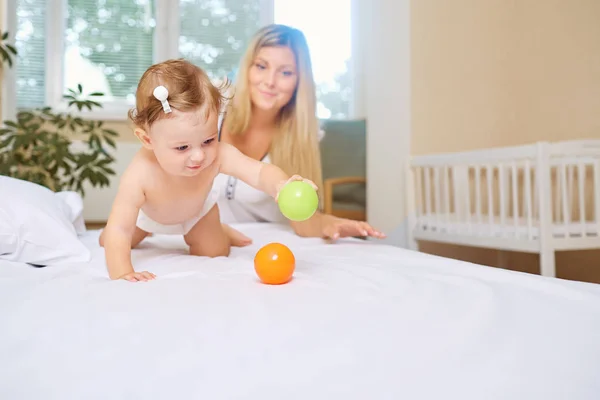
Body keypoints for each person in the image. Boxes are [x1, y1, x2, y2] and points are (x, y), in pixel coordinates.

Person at [99, 59, 316, 282]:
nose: (199, 156)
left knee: (215, 252)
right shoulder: (140, 174)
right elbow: (120, 229)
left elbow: (258, 172)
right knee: (111, 241)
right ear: (147, 139)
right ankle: (129, 236)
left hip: (197, 213)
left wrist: (281, 184)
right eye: (182, 147)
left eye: (208, 140)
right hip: (149, 216)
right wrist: (123, 272)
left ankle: (222, 231)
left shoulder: (219, 155)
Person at [214, 24, 385, 242]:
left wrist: (331, 223)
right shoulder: (214, 107)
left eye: (285, 72)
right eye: (261, 66)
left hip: (257, 245)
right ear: (247, 67)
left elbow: (304, 221)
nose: (270, 82)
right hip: (202, 237)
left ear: (298, 81)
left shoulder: (304, 135)